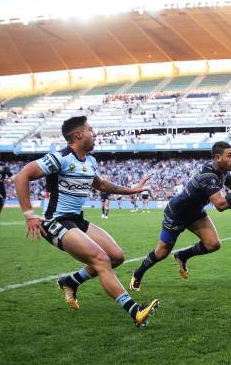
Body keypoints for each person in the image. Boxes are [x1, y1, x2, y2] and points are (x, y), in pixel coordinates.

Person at [14, 116, 160, 328]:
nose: (95, 133)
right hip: (55, 222)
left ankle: (70, 282)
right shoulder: (59, 158)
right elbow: (22, 177)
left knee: (116, 257)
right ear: (78, 135)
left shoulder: (90, 161)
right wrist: (29, 214)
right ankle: (135, 311)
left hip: (76, 220)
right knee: (101, 259)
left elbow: (101, 185)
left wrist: (133, 190)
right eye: (91, 129)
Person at [130, 141, 231, 291]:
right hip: (177, 213)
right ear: (218, 157)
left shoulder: (222, 171)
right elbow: (220, 205)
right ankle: (138, 273)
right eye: (230, 156)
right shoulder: (208, 175)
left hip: (194, 213)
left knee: (213, 244)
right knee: (162, 252)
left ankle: (182, 255)